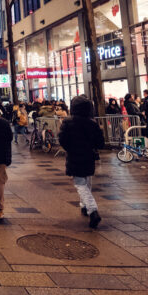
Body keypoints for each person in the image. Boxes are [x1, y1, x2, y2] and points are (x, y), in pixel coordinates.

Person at [58, 95, 105, 229]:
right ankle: (84, 206)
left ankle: (92, 209)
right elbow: (100, 142)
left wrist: (70, 148)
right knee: (87, 180)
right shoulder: (92, 123)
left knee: (80, 184)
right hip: (89, 155)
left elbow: (62, 139)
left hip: (74, 155)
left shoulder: (67, 122)